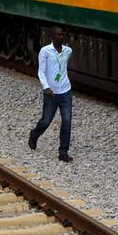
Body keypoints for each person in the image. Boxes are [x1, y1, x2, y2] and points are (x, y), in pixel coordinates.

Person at [28, 26, 74, 162]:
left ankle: (63, 152)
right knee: (46, 120)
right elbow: (41, 71)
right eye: (59, 35)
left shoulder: (68, 51)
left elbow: (62, 68)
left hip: (65, 91)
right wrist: (46, 87)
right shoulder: (45, 51)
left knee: (67, 121)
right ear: (52, 37)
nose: (62, 37)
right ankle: (34, 134)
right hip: (51, 93)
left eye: (63, 34)